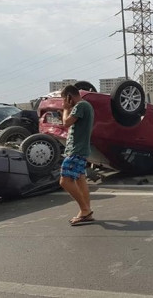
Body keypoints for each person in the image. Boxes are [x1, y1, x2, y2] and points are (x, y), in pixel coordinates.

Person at [59, 85, 95, 226]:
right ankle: (86, 212)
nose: (64, 102)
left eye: (64, 99)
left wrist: (66, 109)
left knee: (65, 180)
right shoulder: (86, 106)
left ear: (69, 97)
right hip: (80, 150)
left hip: (77, 150)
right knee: (80, 180)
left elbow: (66, 123)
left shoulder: (80, 106)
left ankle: (85, 210)